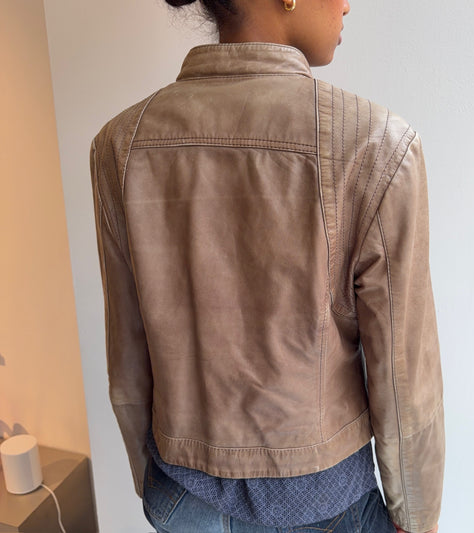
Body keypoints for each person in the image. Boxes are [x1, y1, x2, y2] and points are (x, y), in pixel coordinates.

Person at [89, 0, 444, 532]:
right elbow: (404, 380)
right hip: (326, 506)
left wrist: (153, 481)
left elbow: (127, 355)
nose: (348, 5)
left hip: (183, 498)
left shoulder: (120, 146)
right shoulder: (375, 146)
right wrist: (417, 517)